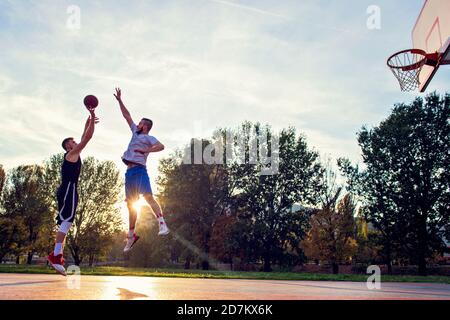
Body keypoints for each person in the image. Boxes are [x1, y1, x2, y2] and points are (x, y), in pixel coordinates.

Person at [113, 87, 169, 253]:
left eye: (140, 123)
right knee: (131, 206)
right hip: (129, 173)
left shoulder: (148, 138)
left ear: (145, 126)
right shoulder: (134, 133)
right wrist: (120, 101)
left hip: (140, 171)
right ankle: (131, 236)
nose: (137, 123)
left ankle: (162, 223)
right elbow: (126, 115)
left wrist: (146, 151)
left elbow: (161, 146)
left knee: (148, 196)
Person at [47, 107, 99, 276]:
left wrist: (89, 119)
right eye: (73, 141)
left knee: (66, 223)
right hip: (69, 188)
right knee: (67, 222)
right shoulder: (72, 154)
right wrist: (91, 117)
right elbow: (88, 137)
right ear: (68, 145)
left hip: (68, 189)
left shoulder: (72, 154)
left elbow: (85, 134)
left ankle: (57, 255)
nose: (76, 142)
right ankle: (55, 256)